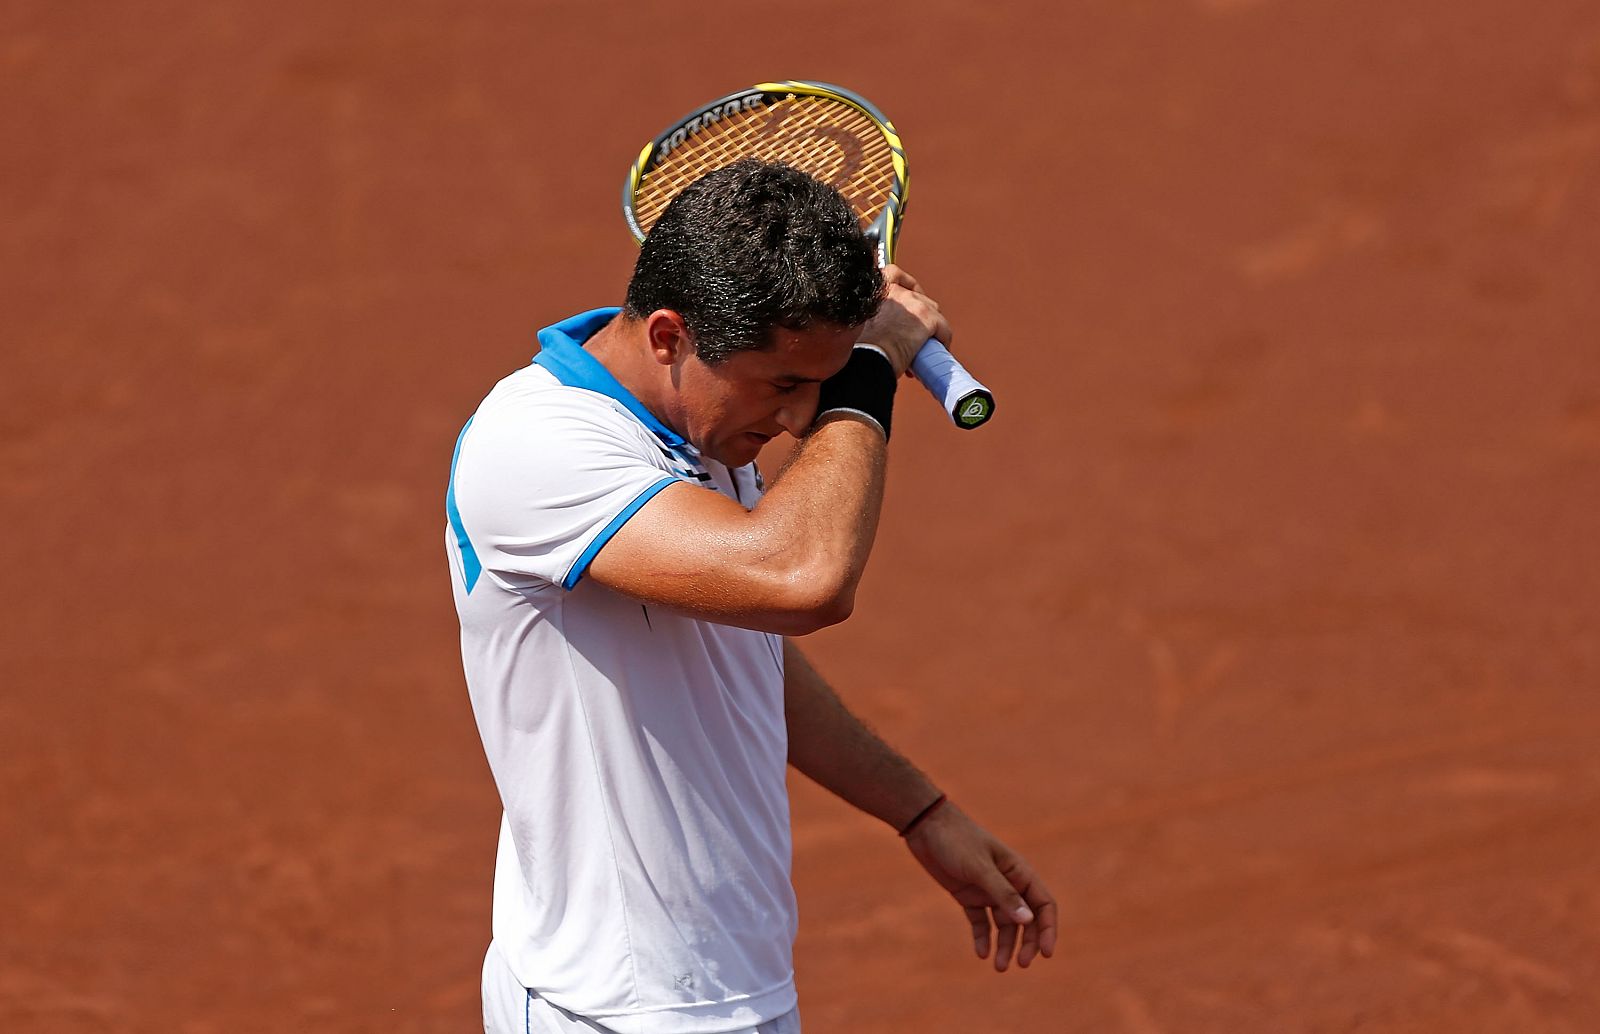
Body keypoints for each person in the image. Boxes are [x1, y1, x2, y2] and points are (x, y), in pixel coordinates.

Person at [446, 159, 1056, 1034]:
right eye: (784, 385)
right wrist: (868, 372)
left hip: (727, 989)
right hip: (617, 1008)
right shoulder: (538, 445)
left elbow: (741, 660)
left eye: (819, 384)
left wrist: (919, 811)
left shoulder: (695, 430)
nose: (800, 420)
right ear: (669, 336)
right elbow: (804, 580)